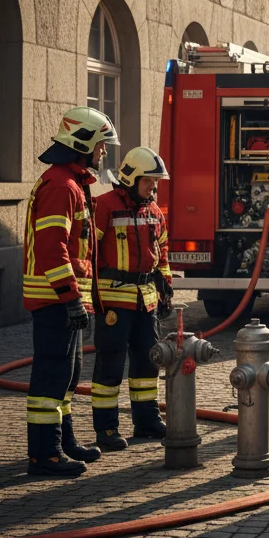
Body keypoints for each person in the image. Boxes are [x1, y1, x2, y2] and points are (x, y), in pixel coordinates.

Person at [23, 106, 120, 477]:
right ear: (82, 143)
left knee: (68, 373)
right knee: (51, 377)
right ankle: (44, 455)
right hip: (54, 300)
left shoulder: (72, 183)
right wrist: (71, 297)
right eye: (101, 144)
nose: (104, 152)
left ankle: (63, 442)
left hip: (64, 299)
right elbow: (53, 249)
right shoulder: (61, 187)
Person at [91, 147, 173, 449]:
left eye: (155, 182)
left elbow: (161, 251)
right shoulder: (104, 206)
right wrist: (92, 298)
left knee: (148, 362)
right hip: (114, 301)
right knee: (110, 364)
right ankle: (106, 428)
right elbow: (90, 253)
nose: (153, 187)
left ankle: (147, 420)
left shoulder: (153, 212)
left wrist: (165, 282)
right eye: (149, 181)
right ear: (131, 178)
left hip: (146, 301)